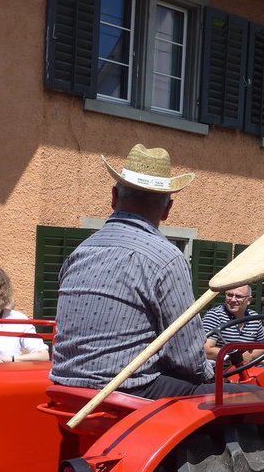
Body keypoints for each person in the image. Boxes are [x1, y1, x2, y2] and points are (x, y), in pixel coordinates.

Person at [51, 144, 216, 398]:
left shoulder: (80, 252)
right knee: (246, 397)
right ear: (167, 209)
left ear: (114, 197)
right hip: (126, 391)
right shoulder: (167, 258)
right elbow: (187, 357)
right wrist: (212, 372)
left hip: (65, 386)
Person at [202, 284, 264, 365]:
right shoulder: (215, 315)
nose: (233, 300)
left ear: (249, 300)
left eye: (238, 296)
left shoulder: (254, 318)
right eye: (230, 295)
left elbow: (263, 347)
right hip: (221, 370)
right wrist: (235, 357)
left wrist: (249, 356)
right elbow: (206, 350)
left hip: (247, 369)